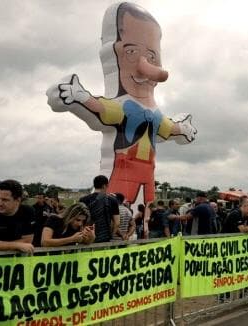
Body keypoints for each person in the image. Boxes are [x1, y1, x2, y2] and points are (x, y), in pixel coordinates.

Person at [47, 2, 196, 206]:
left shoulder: (155, 114)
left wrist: (183, 129)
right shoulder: (124, 107)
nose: (146, 66)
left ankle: (142, 228)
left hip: (148, 172)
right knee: (117, 203)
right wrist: (79, 96)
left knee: (147, 208)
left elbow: (170, 129)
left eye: (152, 57)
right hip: (122, 164)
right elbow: (101, 109)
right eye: (131, 52)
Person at [79, 175, 120, 242]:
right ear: (104, 186)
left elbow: (79, 221)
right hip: (104, 237)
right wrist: (111, 235)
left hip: (86, 238)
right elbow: (117, 223)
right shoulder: (112, 200)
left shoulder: (83, 200)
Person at [0, 180, 35, 253]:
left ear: (18, 200)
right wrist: (16, 245)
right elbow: (23, 244)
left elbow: (27, 240)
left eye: (5, 200)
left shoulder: (27, 211)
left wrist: (2, 245)